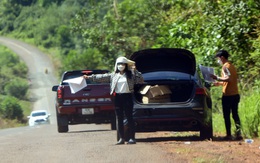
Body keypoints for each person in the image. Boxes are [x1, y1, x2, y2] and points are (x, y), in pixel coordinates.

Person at [83, 56, 144, 145]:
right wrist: (89, 77)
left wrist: (135, 70)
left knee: (129, 117)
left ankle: (132, 138)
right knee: (119, 118)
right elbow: (101, 77)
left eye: (123, 64)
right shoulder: (113, 75)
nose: (121, 66)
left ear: (126, 65)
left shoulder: (131, 74)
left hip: (127, 96)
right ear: (116, 65)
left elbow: (141, 80)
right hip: (118, 97)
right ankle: (121, 138)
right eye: (119, 64)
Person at [210, 50, 243, 140]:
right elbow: (229, 80)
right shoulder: (231, 66)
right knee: (235, 114)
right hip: (235, 94)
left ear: (222, 58)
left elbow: (228, 79)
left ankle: (228, 135)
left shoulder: (225, 67)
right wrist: (219, 83)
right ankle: (238, 134)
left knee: (227, 115)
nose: (218, 61)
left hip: (228, 95)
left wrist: (216, 77)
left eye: (218, 59)